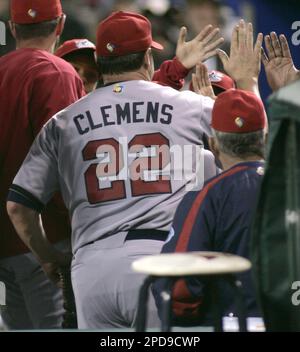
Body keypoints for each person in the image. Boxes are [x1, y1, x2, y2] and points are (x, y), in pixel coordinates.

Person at [6, 10, 223, 329]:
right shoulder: (190, 105)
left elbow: (18, 206)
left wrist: (48, 257)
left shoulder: (63, 122)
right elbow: (253, 146)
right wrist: (246, 84)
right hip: (159, 258)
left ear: (100, 59)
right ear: (148, 57)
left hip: (92, 268)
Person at [0, 0, 85, 330]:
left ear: (12, 28)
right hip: (44, 241)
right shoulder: (57, 71)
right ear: (60, 24)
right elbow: (68, 163)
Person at [153, 88, 267, 325]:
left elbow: (179, 287)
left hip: (236, 321)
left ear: (213, 145)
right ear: (264, 139)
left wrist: (190, 319)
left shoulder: (207, 194)